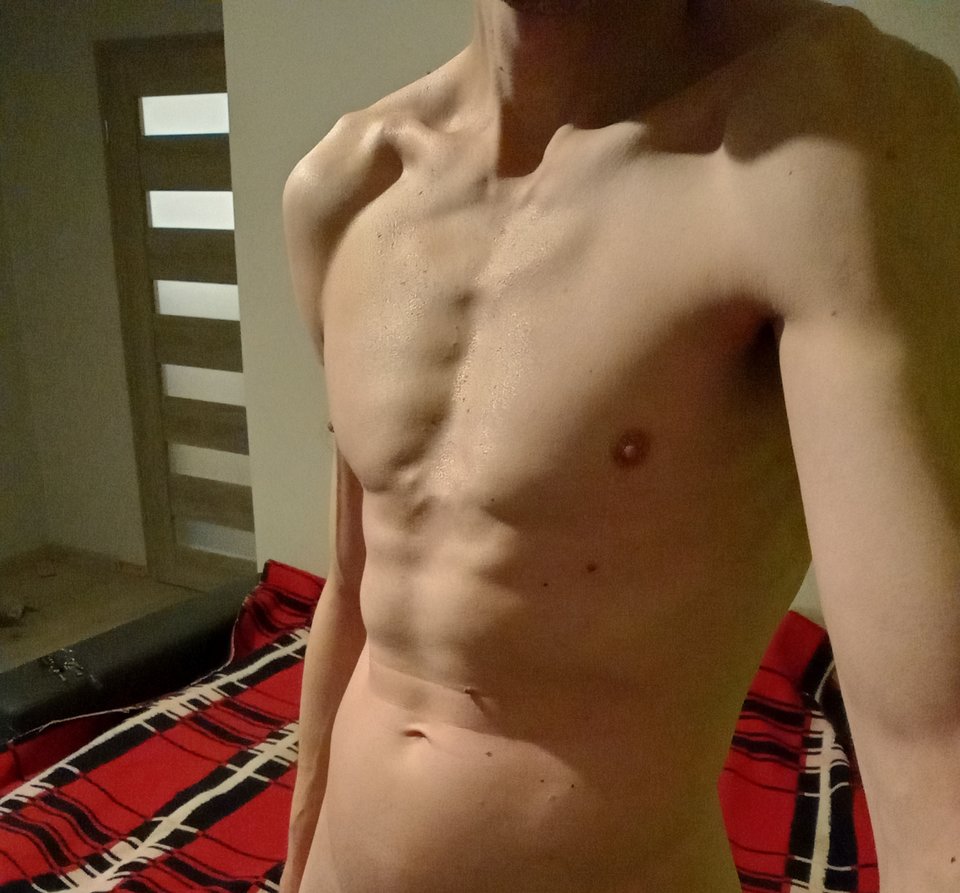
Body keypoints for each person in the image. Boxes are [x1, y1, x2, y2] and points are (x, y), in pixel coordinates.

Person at [279, 0, 960, 889]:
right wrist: (295, 865)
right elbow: (353, 585)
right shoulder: (346, 183)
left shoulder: (823, 133)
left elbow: (935, 755)